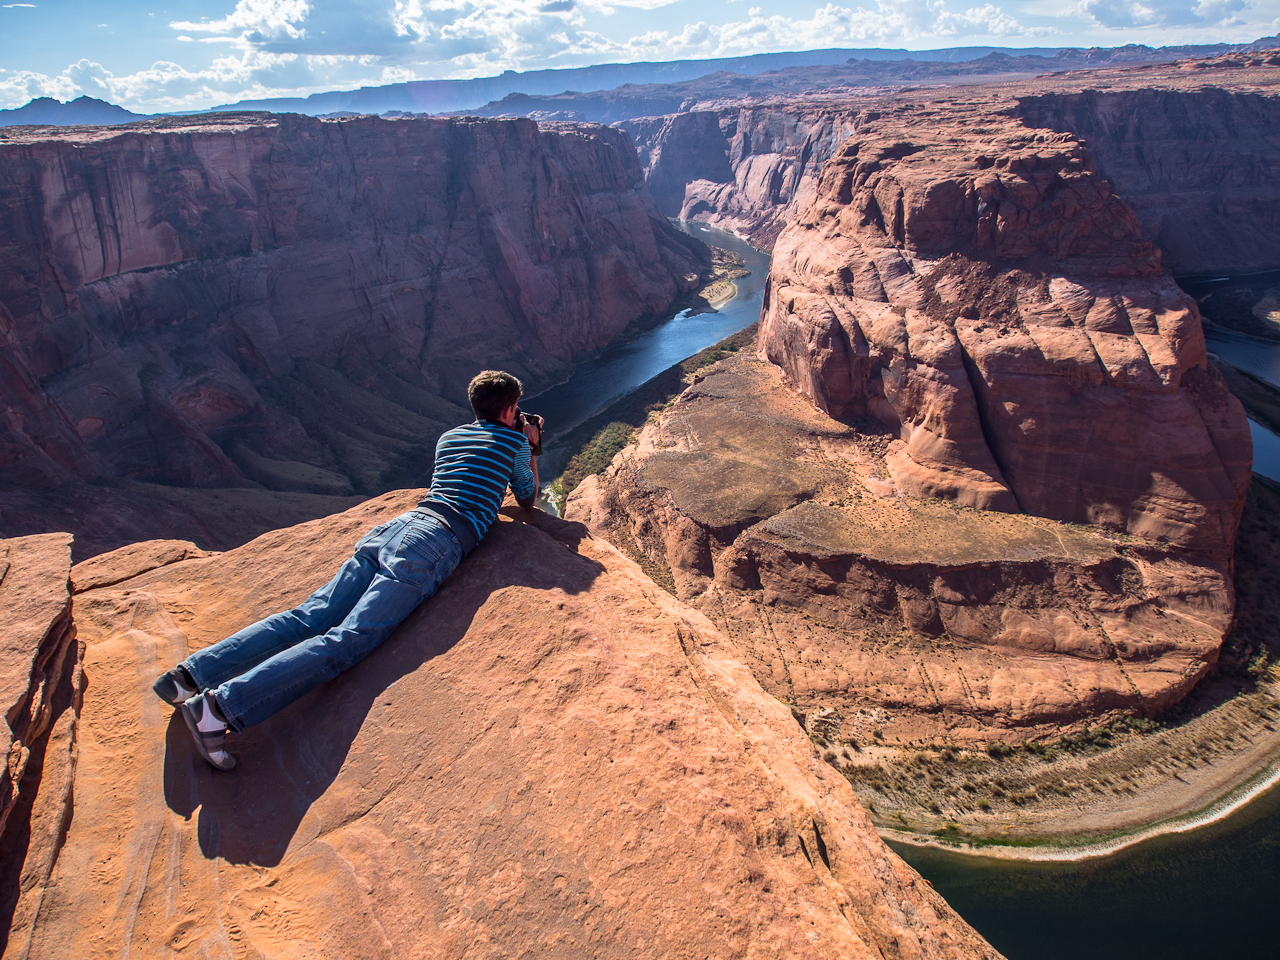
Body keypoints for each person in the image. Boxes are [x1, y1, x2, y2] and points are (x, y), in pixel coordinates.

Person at [153, 370, 544, 770]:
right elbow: (528, 498)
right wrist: (532, 443)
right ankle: (218, 710)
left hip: (396, 528)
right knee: (348, 640)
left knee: (307, 617)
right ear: (511, 409)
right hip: (434, 543)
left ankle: (188, 677)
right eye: (516, 410)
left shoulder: (450, 437)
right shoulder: (513, 439)